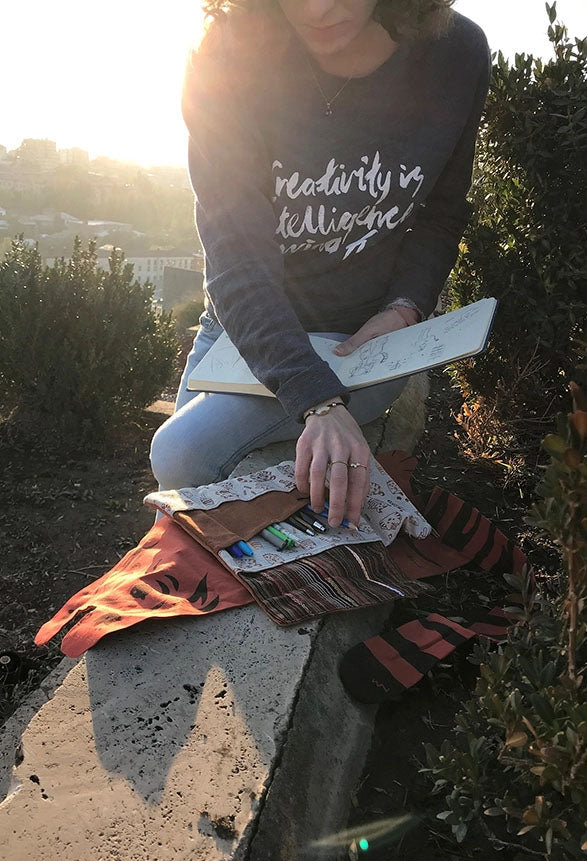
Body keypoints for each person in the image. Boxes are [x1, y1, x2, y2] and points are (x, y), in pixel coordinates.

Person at [150, 0, 490, 527]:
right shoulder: (227, 54)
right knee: (179, 503)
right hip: (244, 325)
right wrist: (318, 403)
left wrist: (405, 308)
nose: (319, 8)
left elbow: (442, 213)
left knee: (181, 454)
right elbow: (234, 251)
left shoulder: (454, 54)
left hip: (361, 340)